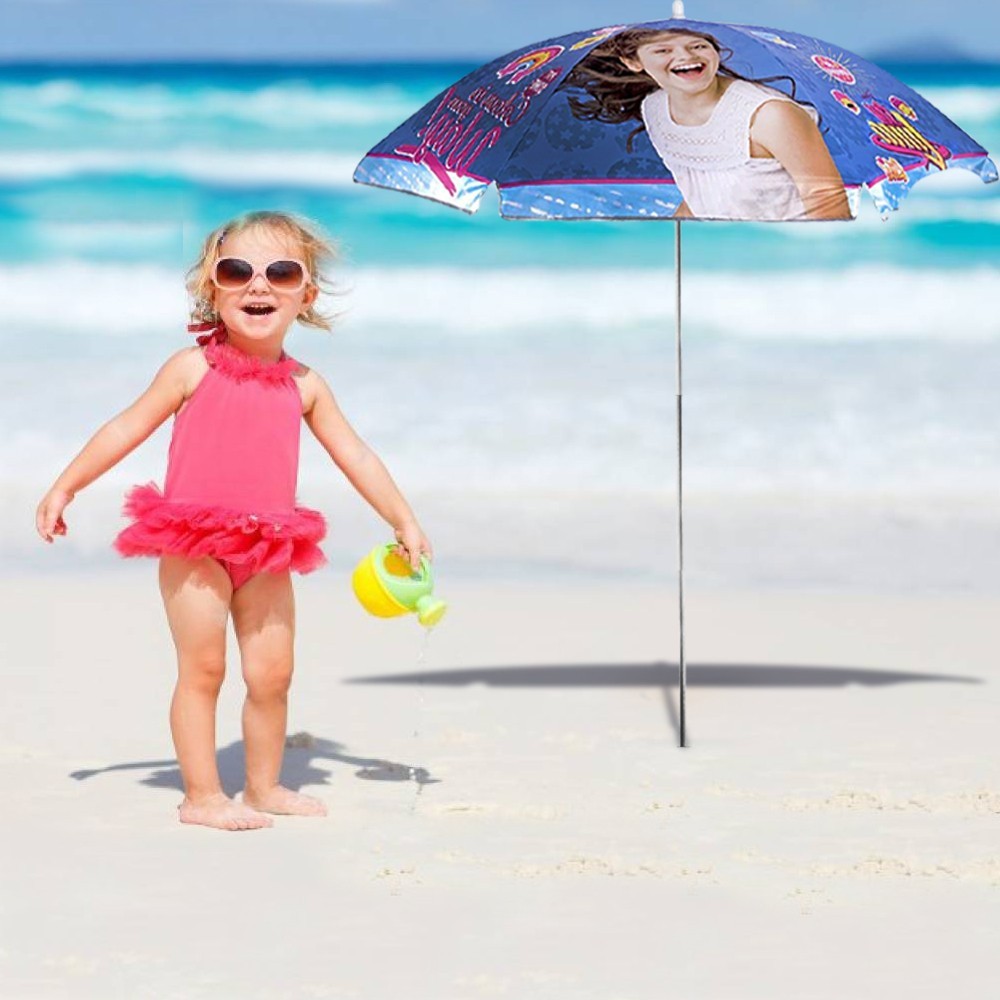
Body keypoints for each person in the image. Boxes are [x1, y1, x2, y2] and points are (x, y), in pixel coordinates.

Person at [35, 211, 433, 832]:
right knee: (205, 669)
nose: (258, 285)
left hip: (269, 547)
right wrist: (66, 485)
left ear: (307, 295)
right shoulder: (190, 368)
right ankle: (200, 796)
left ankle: (264, 786)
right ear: (211, 288)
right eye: (237, 271)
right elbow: (125, 427)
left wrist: (402, 518)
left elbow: (355, 454)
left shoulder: (306, 385)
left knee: (272, 674)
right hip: (193, 541)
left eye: (281, 272)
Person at [564, 28, 852, 221]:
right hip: (727, 260)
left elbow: (826, 198)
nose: (686, 57)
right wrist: (672, 242)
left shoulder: (769, 115)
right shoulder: (655, 109)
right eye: (663, 51)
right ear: (632, 61)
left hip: (783, 262)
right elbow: (702, 194)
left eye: (698, 45)